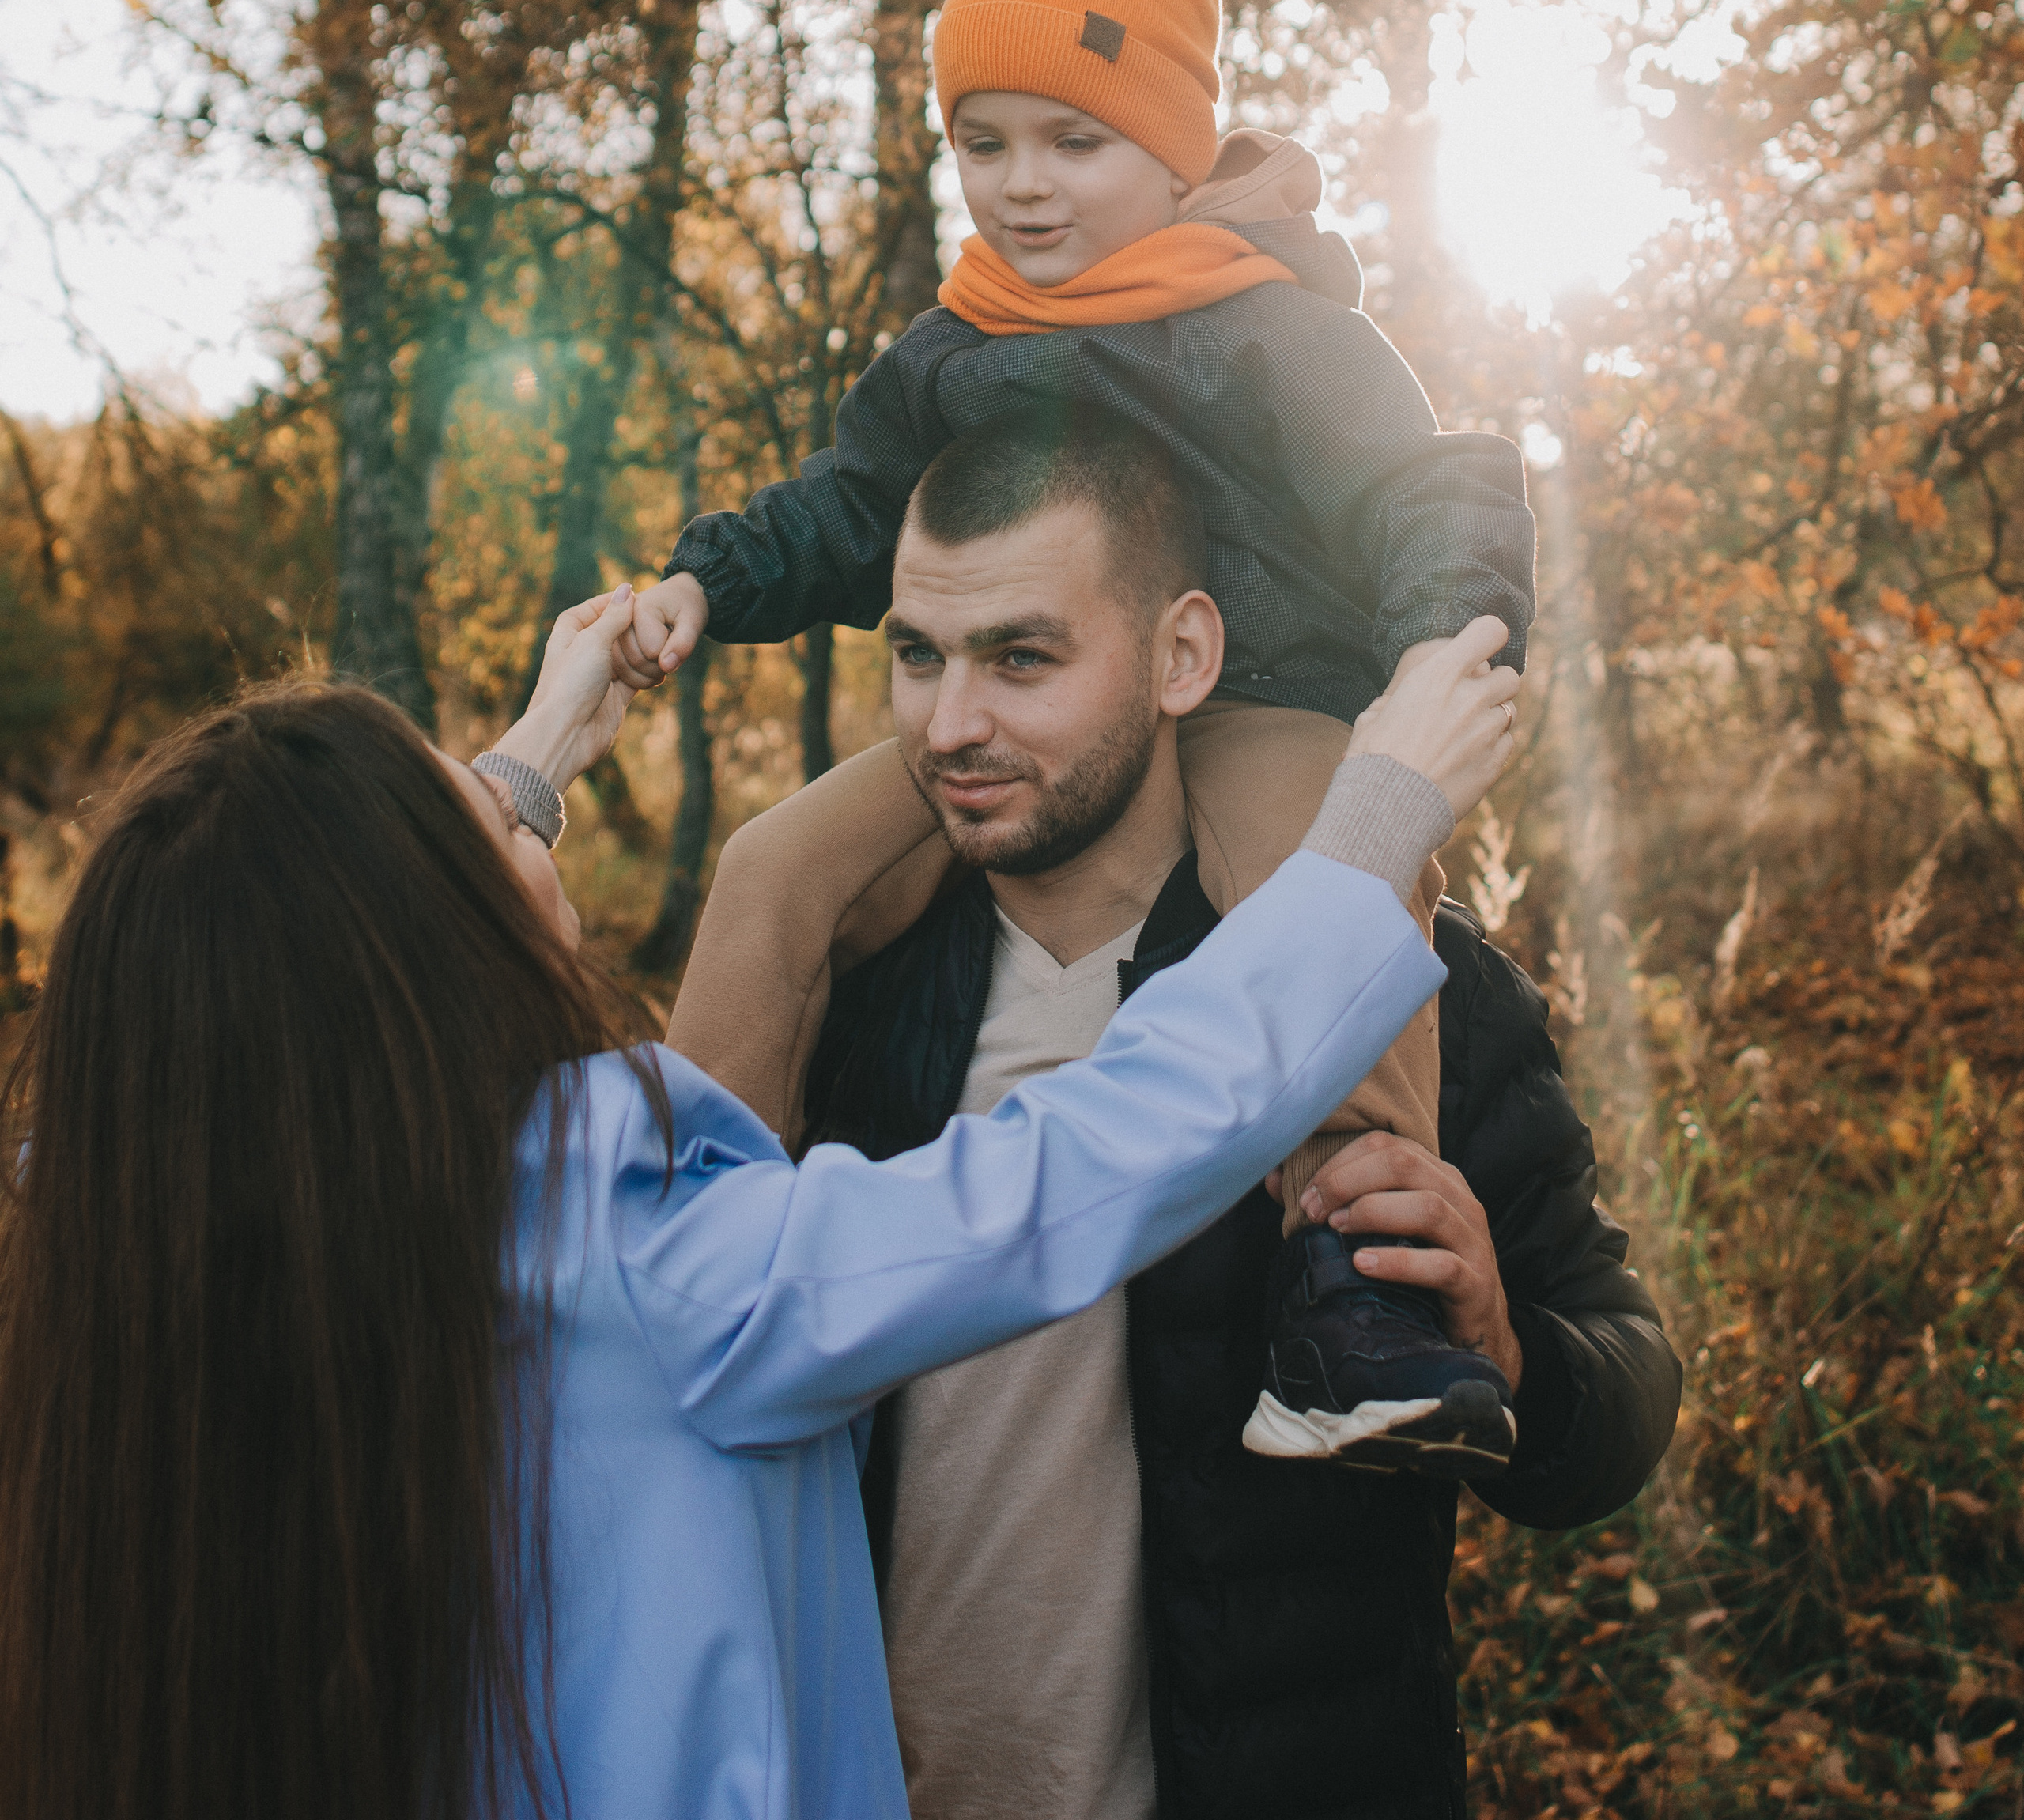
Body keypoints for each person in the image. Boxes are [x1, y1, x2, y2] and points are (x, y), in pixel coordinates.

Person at [0, 554, 1519, 1820]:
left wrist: (542, 743)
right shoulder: (658, 1266)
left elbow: (283, 969)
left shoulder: (156, 1228)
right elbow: (1087, 1155)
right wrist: (1372, 824)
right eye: (461, 799)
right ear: (409, 940)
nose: (506, 799)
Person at [629, 0, 1538, 1467]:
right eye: (983, 143)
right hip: (1043, 716)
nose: (1021, 186)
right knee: (773, 863)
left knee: (1328, 881)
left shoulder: (1263, 326)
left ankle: (1355, 1288)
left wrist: (1434, 663)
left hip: (1262, 700)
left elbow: (1422, 486)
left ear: (1172, 146)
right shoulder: (957, 341)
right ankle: (689, 1241)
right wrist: (708, 576)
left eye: (1071, 140)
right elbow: (849, 507)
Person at [783, 408, 1682, 1820]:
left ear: (1180, 654)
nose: (950, 724)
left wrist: (1507, 1344)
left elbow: (1622, 1386)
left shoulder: (1408, 983)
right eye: (917, 654)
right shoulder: (845, 1006)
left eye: (1022, 656)